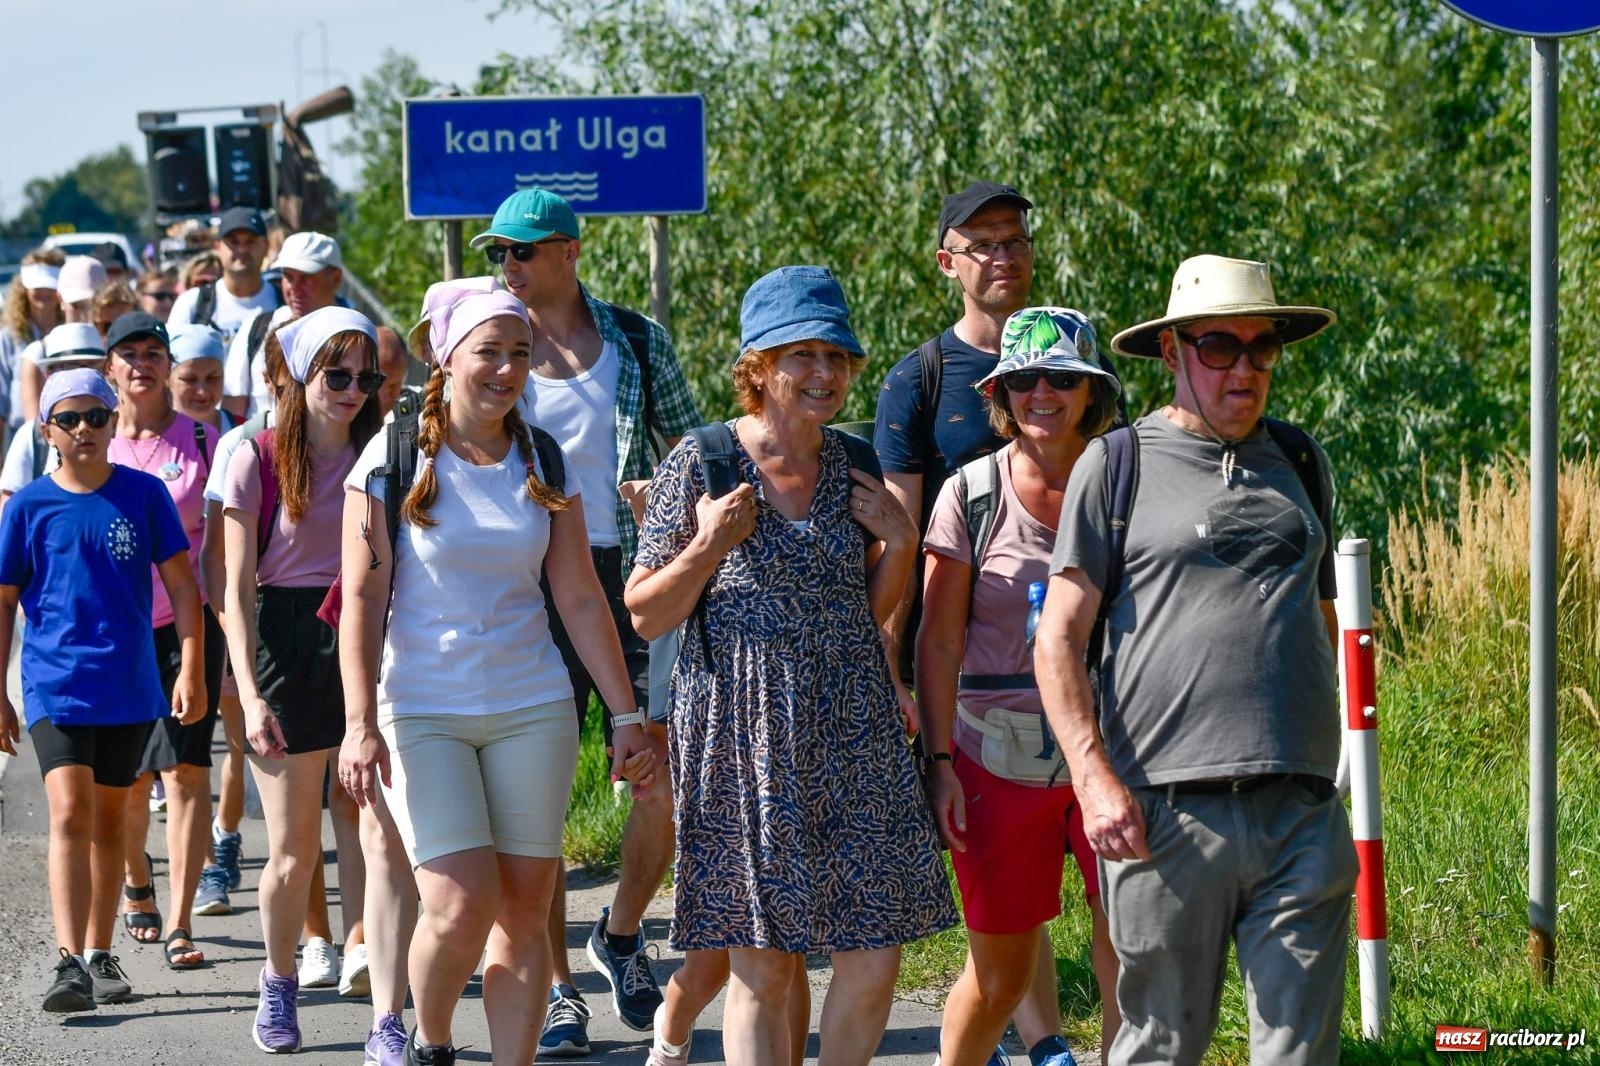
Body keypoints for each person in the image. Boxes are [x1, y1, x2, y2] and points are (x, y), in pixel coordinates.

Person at [626, 265, 956, 1066]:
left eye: (836, 357)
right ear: (758, 366)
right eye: (802, 354)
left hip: (854, 733)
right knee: (766, 968)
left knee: (874, 954)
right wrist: (708, 545)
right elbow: (645, 612)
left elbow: (866, 614)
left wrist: (901, 545)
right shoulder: (702, 462)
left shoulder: (855, 461)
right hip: (742, 738)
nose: (824, 373)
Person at [1035, 255, 1357, 1066]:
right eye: (1219, 346)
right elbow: (1058, 638)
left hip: (1299, 811)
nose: (1244, 369)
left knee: (1301, 1053)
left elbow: (1323, 620)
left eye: (1261, 347)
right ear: (1173, 352)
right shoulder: (1117, 464)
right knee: (1161, 1046)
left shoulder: (1301, 460)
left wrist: (1333, 768)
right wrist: (1093, 780)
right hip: (1166, 816)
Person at [338, 279, 657, 1066]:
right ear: (447, 360)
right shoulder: (394, 456)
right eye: (489, 351)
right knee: (458, 901)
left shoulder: (544, 457)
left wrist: (625, 716)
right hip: (422, 706)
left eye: (520, 352)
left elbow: (579, 596)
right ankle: (433, 1041)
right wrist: (358, 723)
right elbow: (362, 598)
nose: (508, 369)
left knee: (524, 909)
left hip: (532, 704)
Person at [471, 187, 703, 1053]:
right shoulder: (486, 346)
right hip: (528, 581)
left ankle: (621, 930)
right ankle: (560, 989)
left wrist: (665, 497)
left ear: (570, 251)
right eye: (499, 252)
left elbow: (696, 450)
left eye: (523, 250)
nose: (509, 266)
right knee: (535, 796)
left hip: (633, 576)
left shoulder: (637, 340)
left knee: (663, 776)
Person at [873, 180, 1072, 1057]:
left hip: (1073, 677)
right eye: (982, 242)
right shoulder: (918, 382)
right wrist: (898, 683)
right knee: (1003, 890)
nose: (1003, 255)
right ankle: (1027, 1034)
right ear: (947, 262)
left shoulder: (1072, 365)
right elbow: (897, 541)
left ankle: (1039, 1038)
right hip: (963, 675)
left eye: (1014, 239)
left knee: (1039, 884)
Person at [919, 309, 1122, 1066]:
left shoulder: (1129, 484)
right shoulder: (971, 494)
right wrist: (938, 762)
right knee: (1001, 980)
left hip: (1116, 754)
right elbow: (938, 641)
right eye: (1025, 378)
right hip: (995, 761)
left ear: (1090, 391)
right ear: (1001, 392)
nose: (1043, 393)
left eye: (1062, 377)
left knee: (1133, 957)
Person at [0, 368, 204, 1012]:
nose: (84, 428)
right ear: (47, 430)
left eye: (96, 416)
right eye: (69, 419)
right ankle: (68, 963)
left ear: (114, 421)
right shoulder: (26, 506)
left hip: (129, 684)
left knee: (112, 820)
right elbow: (4, 601)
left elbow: (182, 586)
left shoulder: (145, 494)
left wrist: (192, 667)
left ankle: (98, 953)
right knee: (69, 812)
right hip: (54, 683)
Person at [220, 306, 383, 1054]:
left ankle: (372, 966)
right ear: (299, 375)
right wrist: (250, 695)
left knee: (368, 822)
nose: (352, 391)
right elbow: (233, 592)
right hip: (283, 641)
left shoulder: (384, 455)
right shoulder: (253, 455)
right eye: (336, 375)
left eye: (365, 378)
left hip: (365, 630)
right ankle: (279, 980)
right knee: (291, 848)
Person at [97, 312, 225, 971]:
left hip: (188, 624)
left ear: (168, 365)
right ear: (110, 368)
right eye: (130, 354)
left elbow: (225, 541)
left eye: (154, 353)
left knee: (186, 771)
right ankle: (137, 878)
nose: (142, 364)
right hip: (116, 632)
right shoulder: (93, 437)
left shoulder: (203, 438)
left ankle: (179, 921)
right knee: (127, 777)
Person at [224, 231, 341, 419]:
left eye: (306, 278)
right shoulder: (256, 328)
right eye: (288, 277)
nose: (294, 287)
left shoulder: (355, 336)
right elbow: (233, 410)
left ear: (336, 278)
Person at [0, 324, 111, 505]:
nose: (81, 377)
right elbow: (10, 506)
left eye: (92, 367)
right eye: (70, 367)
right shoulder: (31, 435)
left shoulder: (118, 425)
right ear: (48, 373)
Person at [14, 256, 109, 428]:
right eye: (77, 305)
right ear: (60, 299)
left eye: (93, 305)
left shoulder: (119, 350)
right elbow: (36, 431)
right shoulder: (37, 354)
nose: (86, 314)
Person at [168, 208, 279, 348]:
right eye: (234, 242)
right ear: (218, 247)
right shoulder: (192, 303)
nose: (242, 250)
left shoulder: (284, 301)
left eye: (251, 242)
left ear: (266, 246)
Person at [1, 250, 65, 436]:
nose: (44, 292)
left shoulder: (72, 332)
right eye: (37, 287)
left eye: (50, 286)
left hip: (68, 431)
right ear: (24, 290)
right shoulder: (8, 337)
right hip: (19, 433)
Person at [167, 325, 238, 431]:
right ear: (168, 378)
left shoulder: (245, 431)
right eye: (190, 379)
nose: (202, 391)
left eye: (212, 378)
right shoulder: (149, 434)